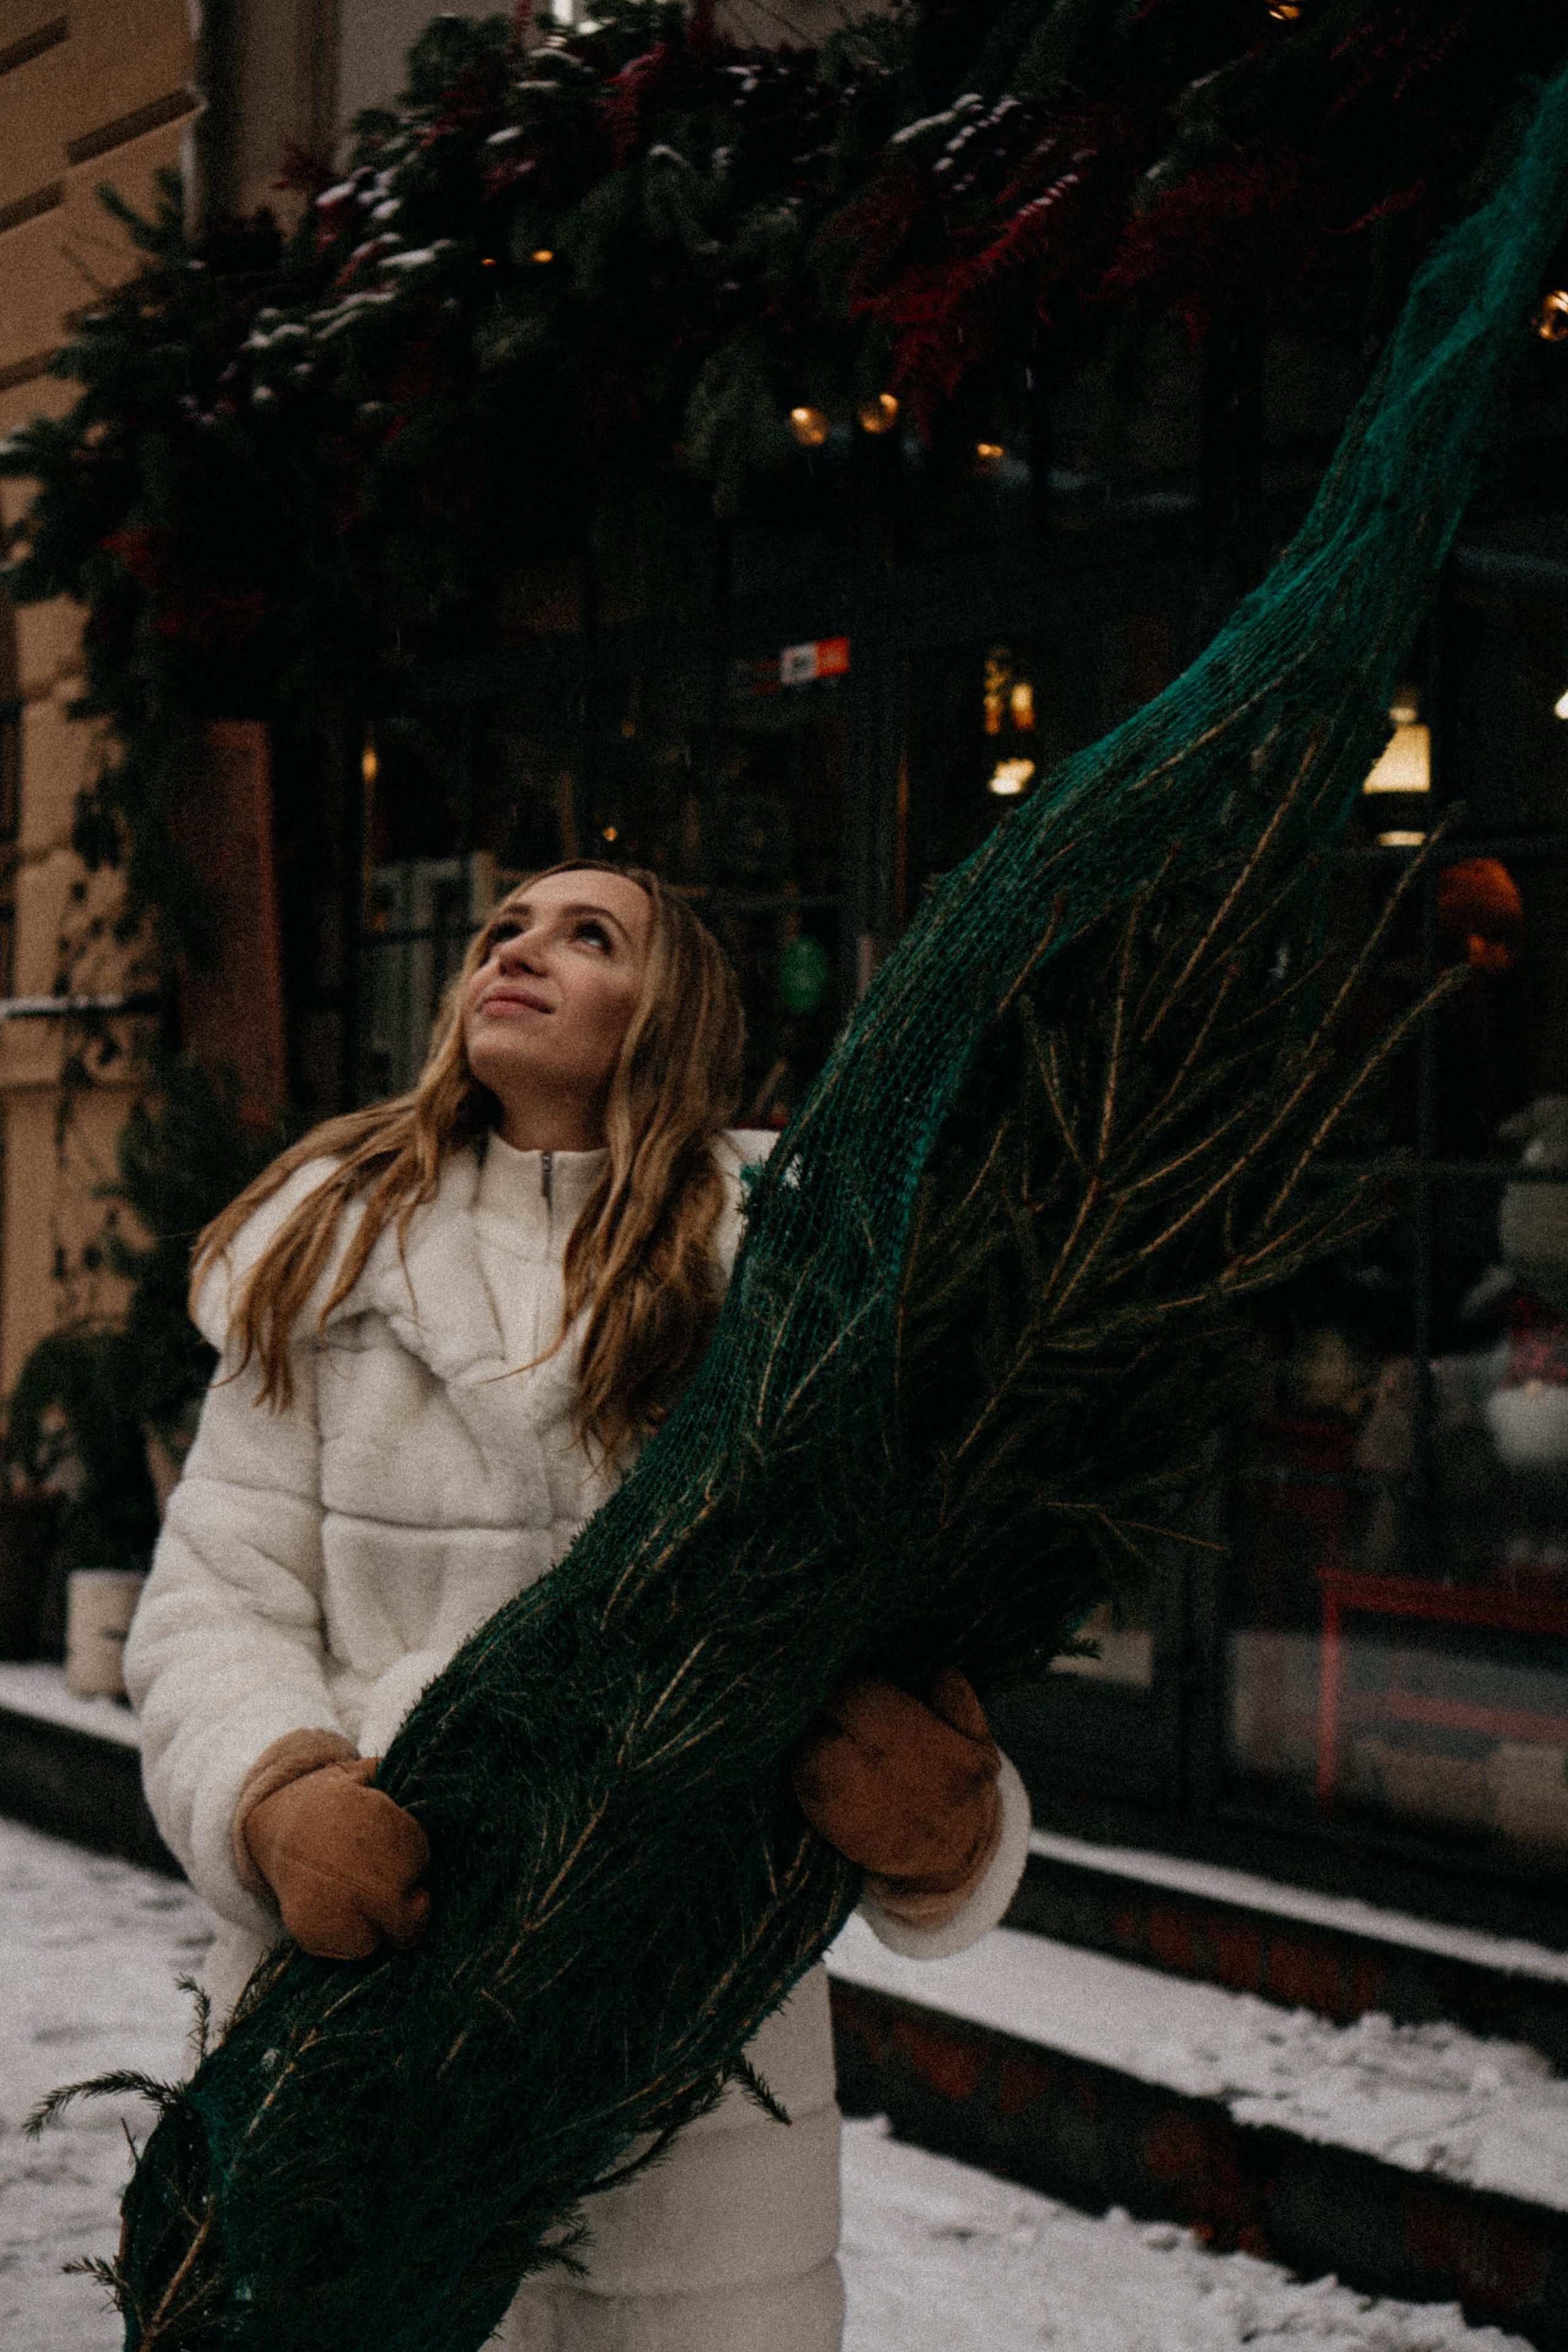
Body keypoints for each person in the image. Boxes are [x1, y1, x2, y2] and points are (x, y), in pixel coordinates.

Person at [125, 861, 1032, 2352]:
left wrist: (947, 1825)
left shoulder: (790, 1273)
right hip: (370, 2003)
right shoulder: (331, 1255)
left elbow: (899, 1613)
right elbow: (215, 1604)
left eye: (586, 935)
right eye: (504, 930)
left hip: (693, 2056)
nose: (519, 949)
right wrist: (274, 1802)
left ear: (669, 1010)